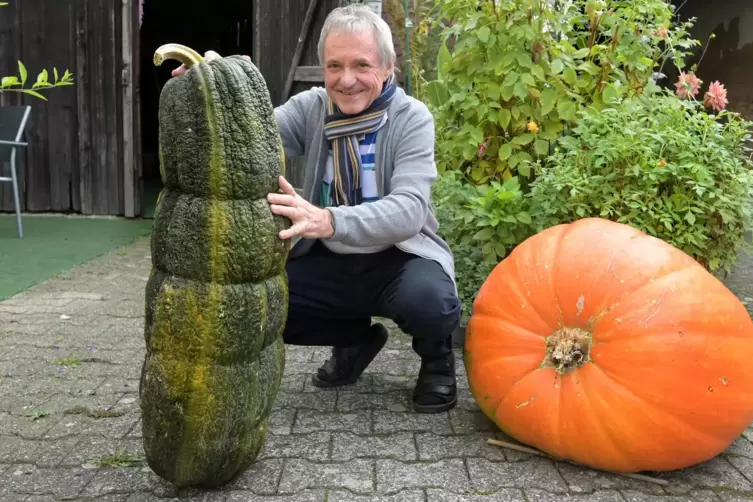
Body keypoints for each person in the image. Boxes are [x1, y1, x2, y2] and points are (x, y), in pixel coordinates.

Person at [172, 5, 461, 413]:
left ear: (388, 65)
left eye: (362, 65)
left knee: (429, 303)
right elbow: (246, 139)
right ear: (323, 69)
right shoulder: (311, 108)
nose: (346, 80)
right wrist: (210, 93)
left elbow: (410, 211)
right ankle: (356, 340)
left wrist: (328, 219)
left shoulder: (411, 118)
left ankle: (436, 359)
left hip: (400, 254)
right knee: (261, 305)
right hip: (331, 256)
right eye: (334, 66)